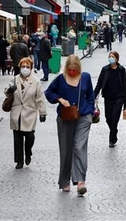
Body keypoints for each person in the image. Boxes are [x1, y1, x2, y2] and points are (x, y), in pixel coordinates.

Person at [45, 55, 95, 196]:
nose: (72, 72)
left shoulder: (85, 77)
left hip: (83, 116)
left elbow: (90, 96)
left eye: (75, 70)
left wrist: (90, 112)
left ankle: (80, 181)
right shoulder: (61, 79)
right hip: (65, 117)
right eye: (70, 70)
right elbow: (48, 92)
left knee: (79, 146)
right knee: (66, 150)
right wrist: (60, 99)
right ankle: (65, 181)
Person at [6, 57, 47, 169]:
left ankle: (28, 151)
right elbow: (6, 91)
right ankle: (19, 161)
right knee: (17, 138)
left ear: (31, 68)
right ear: (20, 67)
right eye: (23, 66)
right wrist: (9, 90)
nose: (25, 68)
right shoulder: (14, 79)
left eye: (27, 67)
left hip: (30, 113)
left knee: (29, 136)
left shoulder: (35, 81)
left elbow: (40, 98)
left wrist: (42, 112)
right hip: (16, 113)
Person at [94, 51, 126, 148]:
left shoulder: (121, 70)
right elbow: (99, 83)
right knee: (108, 118)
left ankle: (112, 139)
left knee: (115, 118)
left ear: (117, 59)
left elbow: (125, 84)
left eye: (112, 57)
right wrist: (93, 95)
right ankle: (114, 130)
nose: (111, 58)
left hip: (119, 98)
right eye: (109, 56)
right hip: (108, 97)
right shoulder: (105, 69)